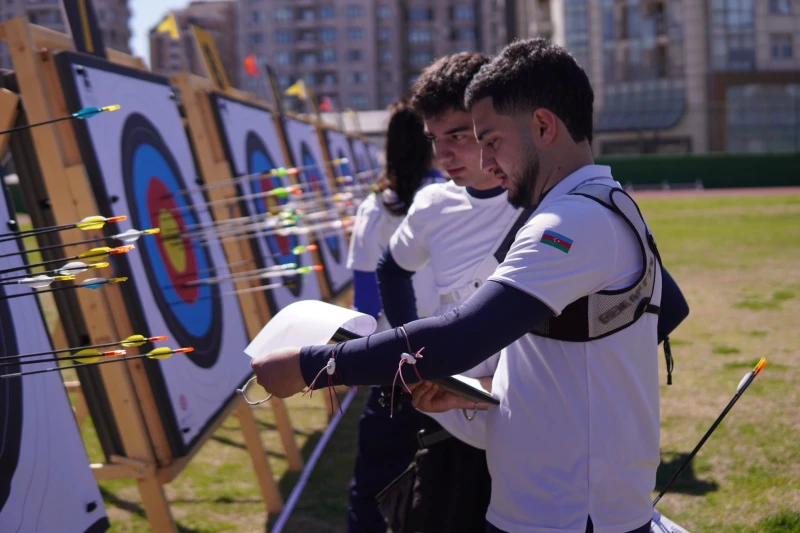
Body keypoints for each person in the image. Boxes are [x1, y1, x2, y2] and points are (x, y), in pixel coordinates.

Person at [252, 38, 690, 533]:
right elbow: (556, 356)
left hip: (569, 515)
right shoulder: (580, 208)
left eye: (492, 141)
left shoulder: (572, 222)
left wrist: (312, 366)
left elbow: (461, 336)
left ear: (543, 126)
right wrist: (483, 389)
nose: (486, 161)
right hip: (552, 507)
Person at [371, 51, 533, 532]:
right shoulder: (431, 204)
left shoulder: (548, 199)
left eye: (458, 136)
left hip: (531, 425)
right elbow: (391, 270)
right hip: (451, 428)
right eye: (433, 139)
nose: (442, 156)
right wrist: (413, 353)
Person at [344, 100, 442, 532]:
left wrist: (354, 358)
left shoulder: (375, 208)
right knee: (449, 483)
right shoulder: (455, 200)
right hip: (453, 359)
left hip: (394, 366)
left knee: (373, 486)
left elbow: (366, 304)